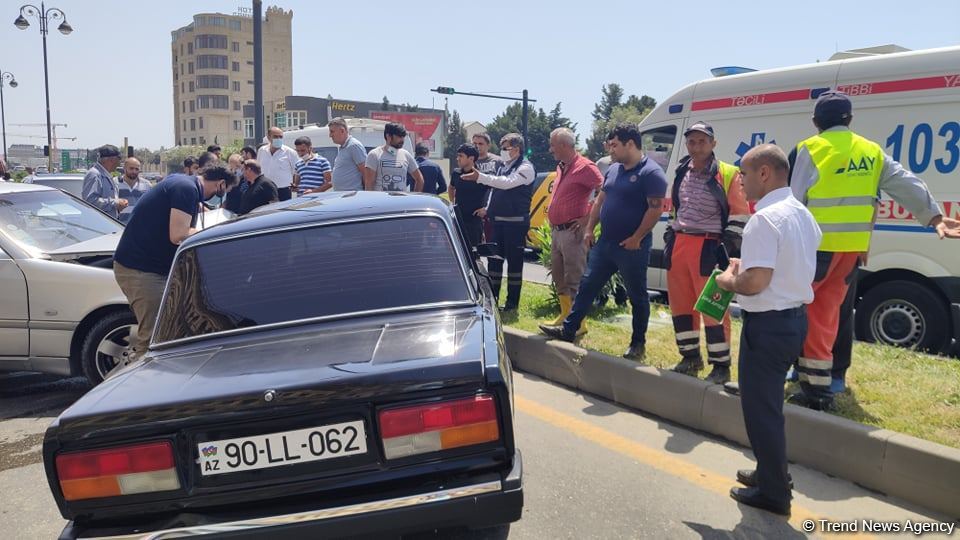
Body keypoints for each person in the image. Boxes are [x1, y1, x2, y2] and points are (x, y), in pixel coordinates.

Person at [787, 91, 960, 410]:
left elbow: (792, 202)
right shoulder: (870, 151)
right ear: (850, 119)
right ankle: (822, 386)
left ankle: (803, 379)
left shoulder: (809, 149)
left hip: (815, 249)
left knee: (794, 310)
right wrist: (933, 216)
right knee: (826, 316)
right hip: (850, 252)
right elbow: (906, 183)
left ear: (815, 122)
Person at [715, 144, 821, 517]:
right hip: (792, 320)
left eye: (743, 174)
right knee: (769, 406)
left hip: (769, 324)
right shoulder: (802, 214)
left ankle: (775, 493)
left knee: (761, 411)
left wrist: (729, 280)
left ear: (764, 173)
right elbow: (789, 264)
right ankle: (769, 472)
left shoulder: (764, 219)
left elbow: (755, 282)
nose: (739, 181)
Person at [540, 124, 667, 360]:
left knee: (637, 295)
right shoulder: (614, 169)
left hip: (632, 247)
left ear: (630, 144)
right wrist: (589, 228)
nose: (610, 149)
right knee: (587, 286)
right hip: (606, 244)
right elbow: (600, 200)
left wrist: (637, 237)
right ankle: (568, 330)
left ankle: (637, 344)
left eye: (615, 145)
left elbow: (655, 210)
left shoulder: (651, 173)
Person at [113, 165, 238, 360]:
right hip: (142, 271)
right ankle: (135, 386)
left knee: (166, 332)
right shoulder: (186, 189)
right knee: (153, 340)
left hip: (149, 268)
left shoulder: (184, 184)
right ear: (221, 184)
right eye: (225, 192)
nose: (220, 196)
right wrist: (217, 231)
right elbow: (178, 234)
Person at [665, 122, 751, 385]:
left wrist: (724, 251)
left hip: (708, 246)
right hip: (679, 244)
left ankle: (721, 366)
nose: (696, 146)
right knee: (680, 305)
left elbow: (739, 214)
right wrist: (670, 235)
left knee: (713, 308)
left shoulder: (728, 173)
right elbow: (676, 209)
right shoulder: (682, 170)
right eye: (692, 141)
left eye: (702, 141)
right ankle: (690, 357)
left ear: (713, 144)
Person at [538, 127, 603, 336]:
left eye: (553, 145)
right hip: (558, 231)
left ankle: (579, 322)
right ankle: (566, 314)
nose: (550, 149)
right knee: (559, 276)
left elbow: (605, 191)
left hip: (573, 232)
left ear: (564, 145)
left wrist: (587, 219)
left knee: (575, 277)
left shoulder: (586, 167)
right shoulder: (561, 166)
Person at [460, 133, 535, 312]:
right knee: (494, 263)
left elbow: (507, 184)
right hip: (498, 222)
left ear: (516, 149)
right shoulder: (503, 166)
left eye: (505, 148)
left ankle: (511, 304)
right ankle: (492, 300)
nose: (501, 152)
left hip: (515, 224)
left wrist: (481, 177)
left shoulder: (526, 168)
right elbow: (495, 190)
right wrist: (487, 207)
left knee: (515, 266)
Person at [364, 122, 424, 192]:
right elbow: (369, 184)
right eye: (399, 136)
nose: (402, 140)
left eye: (403, 137)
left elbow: (419, 179)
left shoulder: (406, 155)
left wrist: (414, 199)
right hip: (381, 201)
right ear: (388, 136)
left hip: (400, 201)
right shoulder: (374, 154)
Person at [449, 143, 488, 247]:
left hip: (474, 222)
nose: (457, 159)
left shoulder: (482, 176)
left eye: (461, 156)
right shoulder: (456, 173)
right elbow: (451, 187)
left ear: (471, 158)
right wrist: (451, 202)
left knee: (474, 254)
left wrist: (486, 208)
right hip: (458, 219)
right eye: (458, 156)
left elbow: (494, 191)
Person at [82, 145, 127, 219]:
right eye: (119, 159)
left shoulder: (106, 175)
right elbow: (90, 202)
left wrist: (118, 205)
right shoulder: (95, 174)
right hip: (99, 226)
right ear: (112, 160)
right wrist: (115, 203)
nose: (119, 163)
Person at [257, 126, 298, 201]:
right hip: (265, 189)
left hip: (283, 190)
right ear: (269, 137)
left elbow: (296, 171)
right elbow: (258, 169)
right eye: (275, 137)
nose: (278, 139)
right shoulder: (262, 150)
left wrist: (295, 185)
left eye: (280, 137)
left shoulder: (290, 152)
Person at [328, 117, 367, 191]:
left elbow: (365, 172)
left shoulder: (353, 145)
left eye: (332, 131)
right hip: (343, 196)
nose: (330, 135)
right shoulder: (343, 147)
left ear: (342, 130)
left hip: (352, 196)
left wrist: (366, 194)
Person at [117, 157, 152, 224]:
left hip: (139, 228)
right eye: (131, 168)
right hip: (119, 228)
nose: (134, 171)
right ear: (124, 168)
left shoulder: (147, 185)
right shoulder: (115, 183)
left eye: (137, 169)